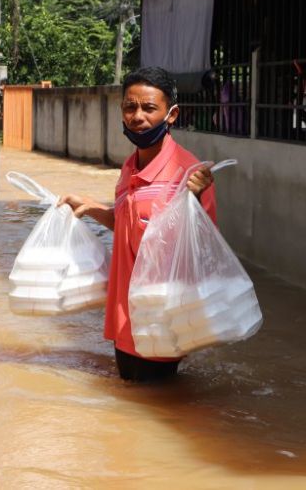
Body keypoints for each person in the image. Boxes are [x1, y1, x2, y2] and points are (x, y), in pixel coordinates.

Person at [59, 67, 216, 382]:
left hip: (159, 319)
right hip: (124, 318)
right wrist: (93, 209)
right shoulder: (130, 166)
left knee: (156, 411)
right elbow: (131, 228)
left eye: (149, 108)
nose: (137, 116)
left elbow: (203, 249)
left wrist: (193, 202)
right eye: (130, 107)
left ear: (171, 115)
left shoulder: (189, 174)